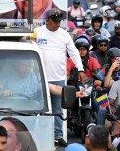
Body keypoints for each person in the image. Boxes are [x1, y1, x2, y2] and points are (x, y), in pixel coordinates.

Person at [32, 9, 84, 146]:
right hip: (40, 78)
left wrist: (81, 69)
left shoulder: (64, 35)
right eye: (55, 21)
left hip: (59, 78)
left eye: (59, 21)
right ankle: (38, 135)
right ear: (47, 20)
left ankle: (58, 135)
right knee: (38, 108)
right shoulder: (38, 32)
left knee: (57, 109)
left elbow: (74, 53)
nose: (57, 24)